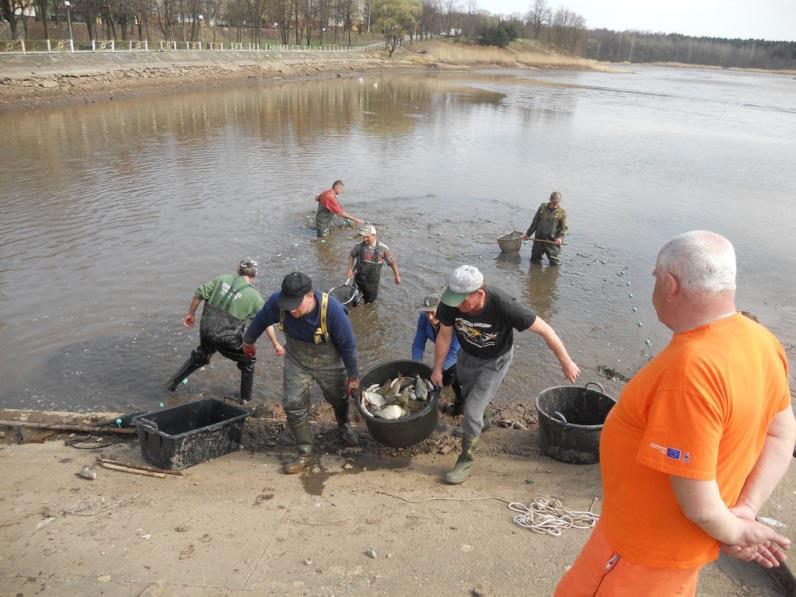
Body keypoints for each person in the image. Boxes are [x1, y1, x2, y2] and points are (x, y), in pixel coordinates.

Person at [555, 231, 794, 597]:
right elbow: (781, 432)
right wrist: (744, 510)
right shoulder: (760, 341)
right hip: (676, 554)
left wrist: (737, 531)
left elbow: (697, 502)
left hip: (639, 558)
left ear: (670, 285)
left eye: (654, 277)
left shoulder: (688, 371)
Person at [431, 265, 581, 484]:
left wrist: (566, 362)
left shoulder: (504, 305)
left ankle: (466, 458)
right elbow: (444, 336)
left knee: (471, 410)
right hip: (468, 356)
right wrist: (437, 368)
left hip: (495, 360)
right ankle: (486, 420)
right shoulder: (451, 304)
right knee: (468, 394)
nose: (457, 305)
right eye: (454, 299)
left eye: (462, 301)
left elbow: (545, 330)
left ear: (479, 294)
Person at [242, 272, 360, 474]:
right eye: (288, 305)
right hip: (297, 358)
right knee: (293, 404)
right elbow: (260, 321)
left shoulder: (332, 310)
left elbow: (348, 347)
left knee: (338, 397)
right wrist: (248, 342)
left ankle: (343, 424)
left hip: (328, 360)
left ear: (310, 296)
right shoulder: (276, 303)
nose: (292, 310)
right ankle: (305, 452)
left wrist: (353, 376)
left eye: (296, 305)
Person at [166, 259, 265, 404]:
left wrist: (191, 314)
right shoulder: (254, 296)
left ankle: (170, 385)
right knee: (248, 361)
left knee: (201, 356)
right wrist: (275, 343)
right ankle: (245, 399)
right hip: (228, 339)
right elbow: (263, 321)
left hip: (207, 331)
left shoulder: (222, 279)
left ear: (237, 270)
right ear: (255, 275)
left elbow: (198, 294)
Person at [411, 294, 464, 416]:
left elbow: (455, 352)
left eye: (433, 312)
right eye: (426, 312)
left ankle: (460, 408)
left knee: (458, 383)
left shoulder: (455, 322)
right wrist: (416, 364)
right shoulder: (423, 318)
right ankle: (442, 398)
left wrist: (437, 370)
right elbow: (419, 341)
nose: (430, 317)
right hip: (445, 351)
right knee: (440, 378)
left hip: (461, 354)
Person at [346, 224, 400, 303]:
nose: (365, 239)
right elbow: (351, 256)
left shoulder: (383, 249)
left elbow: (392, 263)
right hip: (358, 280)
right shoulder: (358, 246)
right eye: (363, 237)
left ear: (374, 235)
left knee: (369, 303)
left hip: (372, 283)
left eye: (367, 237)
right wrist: (350, 269)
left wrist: (397, 276)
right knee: (354, 302)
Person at [523, 191, 568, 265]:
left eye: (557, 203)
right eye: (554, 203)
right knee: (534, 260)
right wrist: (528, 234)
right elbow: (535, 222)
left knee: (554, 263)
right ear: (550, 200)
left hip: (552, 240)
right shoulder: (542, 208)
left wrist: (560, 238)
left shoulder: (562, 213)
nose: (555, 205)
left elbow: (564, 228)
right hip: (539, 238)